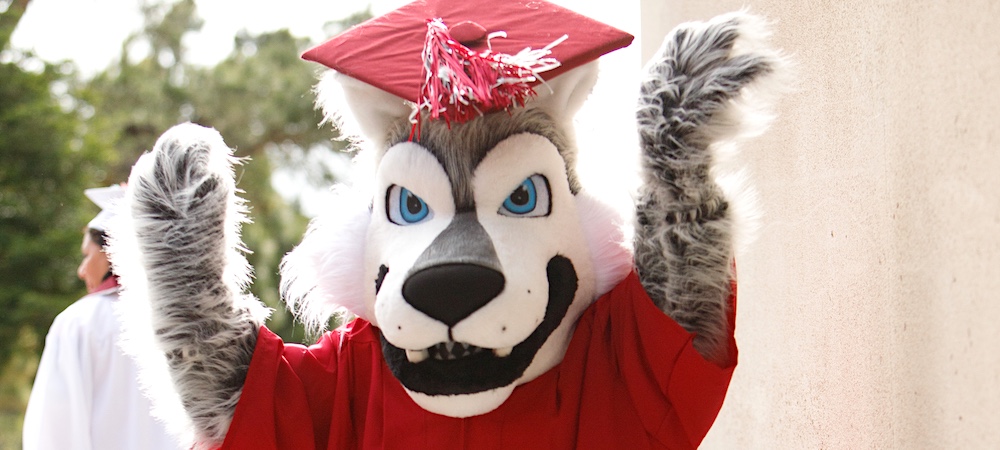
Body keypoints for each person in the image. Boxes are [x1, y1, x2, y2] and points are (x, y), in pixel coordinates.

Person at [22, 185, 181, 450]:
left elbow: (53, 433)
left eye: (87, 255)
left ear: (110, 253)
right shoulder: (185, 325)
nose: (81, 271)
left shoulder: (79, 323)